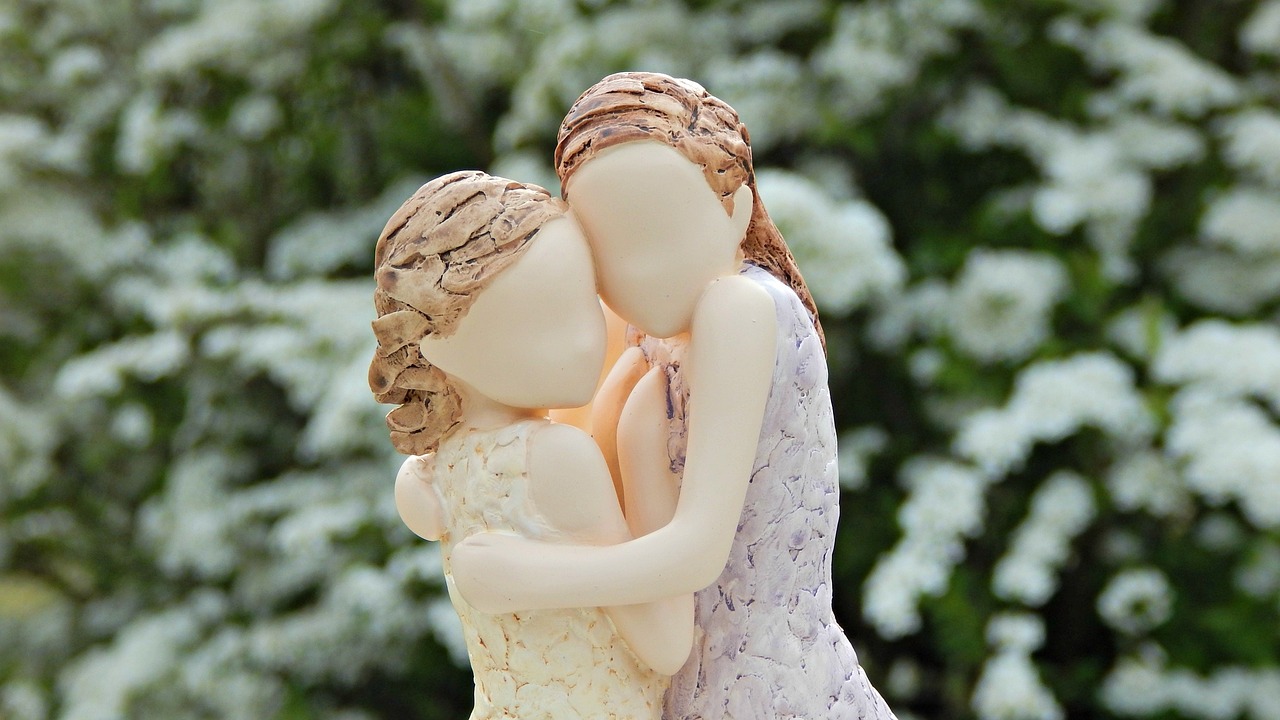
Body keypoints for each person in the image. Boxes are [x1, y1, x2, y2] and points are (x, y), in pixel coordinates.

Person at [449, 72, 897, 719]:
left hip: (764, 688)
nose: (638, 273)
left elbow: (696, 552)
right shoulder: (657, 338)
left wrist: (525, 575)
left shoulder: (738, 306)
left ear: (736, 209)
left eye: (664, 234)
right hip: (692, 681)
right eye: (607, 252)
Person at [369, 170, 693, 719]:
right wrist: (648, 462)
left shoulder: (431, 471)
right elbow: (666, 644)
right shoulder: (554, 456)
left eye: (585, 301)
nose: (586, 339)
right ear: (436, 347)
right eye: (542, 320)